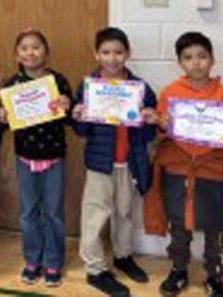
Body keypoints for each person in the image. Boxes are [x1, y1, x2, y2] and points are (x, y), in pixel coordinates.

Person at [145, 32, 223, 297]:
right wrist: (162, 125)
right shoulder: (170, 93)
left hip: (213, 171)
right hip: (178, 169)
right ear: (180, 62)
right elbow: (160, 132)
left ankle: (214, 275)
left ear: (212, 60)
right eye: (188, 57)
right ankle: (178, 270)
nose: (196, 63)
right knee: (179, 226)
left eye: (202, 56)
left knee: (215, 227)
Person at [71, 27, 158, 297]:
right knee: (95, 216)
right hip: (100, 164)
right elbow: (81, 131)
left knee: (125, 213)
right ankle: (95, 269)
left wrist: (149, 119)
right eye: (106, 52)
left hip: (129, 163)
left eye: (118, 52)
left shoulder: (140, 88)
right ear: (96, 54)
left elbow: (149, 134)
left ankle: (122, 256)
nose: (112, 58)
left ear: (127, 54)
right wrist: (79, 116)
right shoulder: (89, 86)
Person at [0, 28, 72, 287]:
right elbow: (7, 124)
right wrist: (3, 118)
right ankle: (32, 259)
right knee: (28, 212)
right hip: (25, 157)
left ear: (46, 52)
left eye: (36, 47)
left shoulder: (58, 81)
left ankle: (53, 261)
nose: (30, 52)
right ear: (16, 54)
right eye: (24, 48)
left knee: (53, 212)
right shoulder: (11, 85)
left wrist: (67, 106)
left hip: (54, 157)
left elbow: (70, 120)